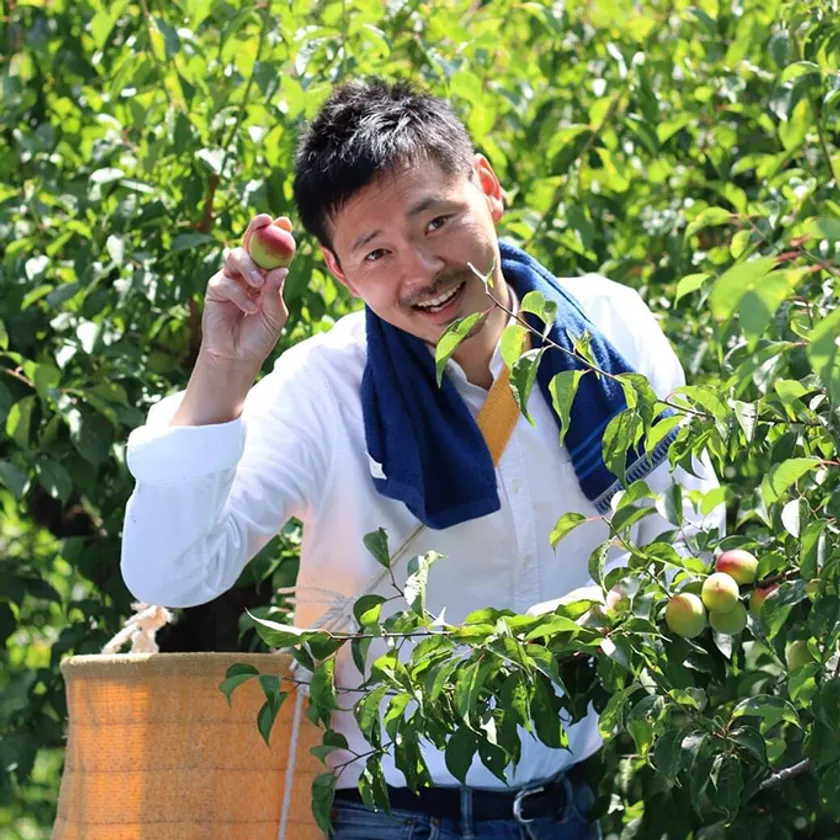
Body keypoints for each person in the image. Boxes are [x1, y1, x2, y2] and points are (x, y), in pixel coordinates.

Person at [121, 77, 723, 840]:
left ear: (488, 189)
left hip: (564, 810)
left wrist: (605, 621)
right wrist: (222, 367)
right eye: (376, 252)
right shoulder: (323, 390)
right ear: (339, 273)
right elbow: (171, 574)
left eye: (437, 221)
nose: (422, 270)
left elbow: (686, 532)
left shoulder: (609, 330)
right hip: (387, 817)